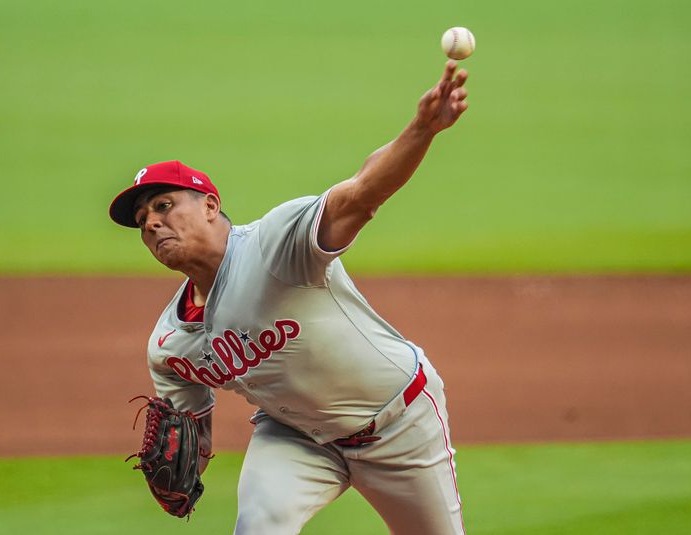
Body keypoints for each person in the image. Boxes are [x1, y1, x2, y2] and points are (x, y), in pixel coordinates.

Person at [109, 60, 469, 535]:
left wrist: (422, 129)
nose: (152, 223)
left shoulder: (277, 244)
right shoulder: (170, 345)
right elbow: (189, 440)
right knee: (258, 526)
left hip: (399, 423)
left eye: (164, 205)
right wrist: (184, 465)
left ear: (211, 206)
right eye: (142, 221)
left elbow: (362, 192)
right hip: (296, 437)